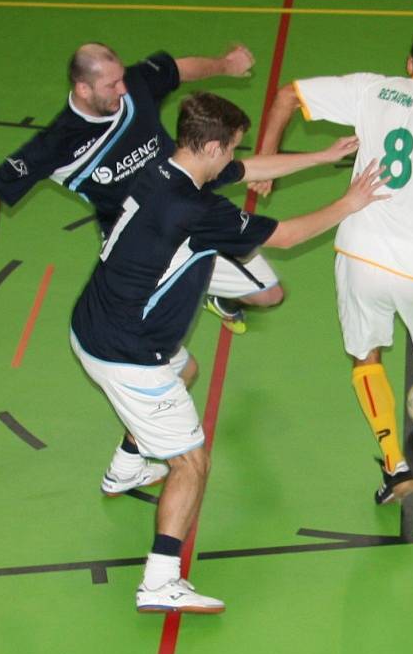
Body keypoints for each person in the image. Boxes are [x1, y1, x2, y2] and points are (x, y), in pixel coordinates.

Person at [0, 40, 361, 496]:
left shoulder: (132, 88)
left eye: (120, 78)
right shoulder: (59, 143)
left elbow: (176, 70)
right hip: (149, 255)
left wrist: (226, 64)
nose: (122, 88)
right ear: (82, 87)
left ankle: (128, 459)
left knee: (267, 295)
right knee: (182, 371)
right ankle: (132, 474)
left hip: (192, 212)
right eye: (110, 84)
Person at [70, 91, 388, 612]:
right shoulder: (194, 210)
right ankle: (159, 580)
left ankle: (126, 465)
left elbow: (245, 168)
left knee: (188, 369)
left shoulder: (167, 167)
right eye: (231, 147)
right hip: (129, 353)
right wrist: (348, 203)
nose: (234, 157)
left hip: (93, 323)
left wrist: (322, 157)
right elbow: (284, 236)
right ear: (211, 145)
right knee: (192, 463)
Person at [260, 23, 413, 505]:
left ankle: (394, 463)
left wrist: (265, 163)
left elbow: (284, 97)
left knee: (366, 357)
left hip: (360, 254)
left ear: (409, 62)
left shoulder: (371, 88)